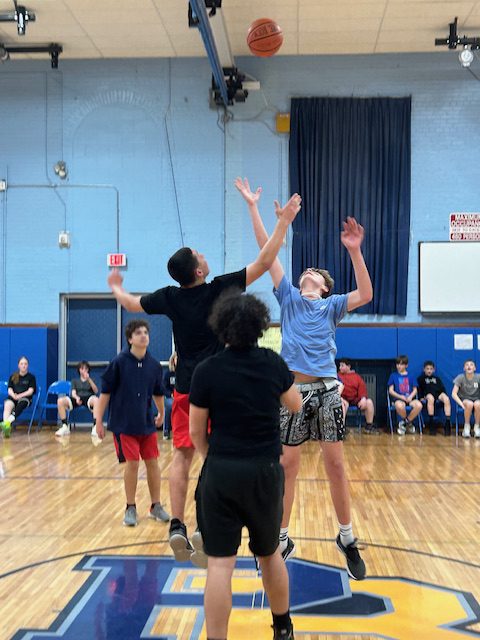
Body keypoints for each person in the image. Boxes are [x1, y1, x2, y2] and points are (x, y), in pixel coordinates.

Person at [107, 190, 301, 560]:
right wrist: (282, 223)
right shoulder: (219, 289)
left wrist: (116, 285)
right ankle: (202, 526)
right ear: (199, 271)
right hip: (219, 387)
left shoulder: (170, 296)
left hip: (186, 389)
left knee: (182, 457)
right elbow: (265, 261)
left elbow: (132, 303)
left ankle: (177, 524)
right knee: (214, 457)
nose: (205, 257)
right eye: (201, 256)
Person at [236, 177, 372, 582]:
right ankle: (280, 539)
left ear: (324, 285)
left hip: (328, 391)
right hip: (292, 391)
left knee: (335, 466)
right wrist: (253, 208)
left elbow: (365, 292)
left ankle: (346, 538)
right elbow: (268, 252)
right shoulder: (289, 297)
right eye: (305, 270)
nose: (306, 272)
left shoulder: (331, 305)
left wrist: (355, 251)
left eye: (314, 272)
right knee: (287, 466)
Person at [189, 289, 302, 640]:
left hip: (221, 471)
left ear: (220, 327)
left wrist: (216, 460)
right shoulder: (272, 364)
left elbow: (196, 434)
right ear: (258, 326)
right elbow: (296, 404)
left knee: (220, 563)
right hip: (264, 474)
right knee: (270, 554)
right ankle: (283, 627)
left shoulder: (207, 370)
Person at [93, 320, 170, 527]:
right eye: (138, 333)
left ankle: (155, 506)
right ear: (130, 338)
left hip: (145, 423)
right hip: (124, 425)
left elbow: (158, 393)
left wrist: (161, 413)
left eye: (146, 332)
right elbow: (105, 394)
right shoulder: (118, 363)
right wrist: (98, 421)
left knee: (153, 463)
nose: (143, 335)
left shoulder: (154, 365)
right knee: (133, 464)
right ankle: (130, 507)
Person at [55, 360, 99, 439]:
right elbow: (73, 392)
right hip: (77, 397)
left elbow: (96, 391)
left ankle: (95, 426)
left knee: (96, 400)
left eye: (86, 368)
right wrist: (76, 398)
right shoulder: (74, 381)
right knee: (60, 401)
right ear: (79, 370)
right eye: (82, 368)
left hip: (88, 397)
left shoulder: (91, 380)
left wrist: (89, 379)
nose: (84, 370)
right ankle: (65, 426)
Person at [337, 358, 379, 434]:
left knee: (369, 402)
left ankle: (369, 426)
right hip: (343, 399)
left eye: (342, 366)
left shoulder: (356, 377)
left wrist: (363, 398)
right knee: (342, 404)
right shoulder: (337, 376)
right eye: (339, 366)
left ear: (348, 366)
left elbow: (362, 389)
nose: (340, 368)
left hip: (355, 400)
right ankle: (341, 428)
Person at [0, 356, 36, 438]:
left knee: (21, 404)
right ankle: (6, 429)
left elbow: (30, 391)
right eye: (22, 364)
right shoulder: (13, 376)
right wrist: (13, 395)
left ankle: (7, 422)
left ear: (28, 365)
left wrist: (20, 395)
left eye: (25, 364)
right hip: (14, 397)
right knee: (8, 404)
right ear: (18, 365)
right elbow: (9, 389)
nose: (23, 366)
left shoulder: (31, 377)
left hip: (25, 398)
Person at [387, 355, 423, 435]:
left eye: (401, 364)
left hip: (410, 398)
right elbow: (391, 391)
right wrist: (401, 397)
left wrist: (410, 397)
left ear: (406, 365)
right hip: (398, 398)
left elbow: (415, 390)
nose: (399, 366)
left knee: (419, 405)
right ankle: (408, 424)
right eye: (397, 364)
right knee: (400, 406)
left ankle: (405, 422)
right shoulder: (393, 375)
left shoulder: (411, 375)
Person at [417, 360, 451, 436]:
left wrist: (443, 395)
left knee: (446, 399)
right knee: (430, 398)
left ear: (433, 370)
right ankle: (431, 422)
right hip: (428, 395)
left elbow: (442, 389)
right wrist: (421, 397)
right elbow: (419, 389)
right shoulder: (421, 379)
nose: (429, 370)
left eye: (431, 369)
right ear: (424, 369)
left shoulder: (437, 379)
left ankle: (447, 422)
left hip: (438, 394)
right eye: (427, 369)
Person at [452, 359, 480, 439]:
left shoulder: (478, 377)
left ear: (475, 368)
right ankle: (466, 427)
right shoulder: (460, 377)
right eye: (467, 365)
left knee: (478, 404)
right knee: (470, 404)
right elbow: (453, 394)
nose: (469, 366)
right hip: (465, 400)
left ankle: (477, 427)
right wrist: (461, 404)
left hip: (477, 399)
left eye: (471, 365)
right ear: (464, 368)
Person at [162, 352, 177, 440]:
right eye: (176, 358)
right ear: (173, 360)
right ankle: (166, 431)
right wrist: (170, 394)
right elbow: (164, 387)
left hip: (181, 396)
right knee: (170, 406)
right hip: (170, 397)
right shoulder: (168, 373)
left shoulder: (184, 373)